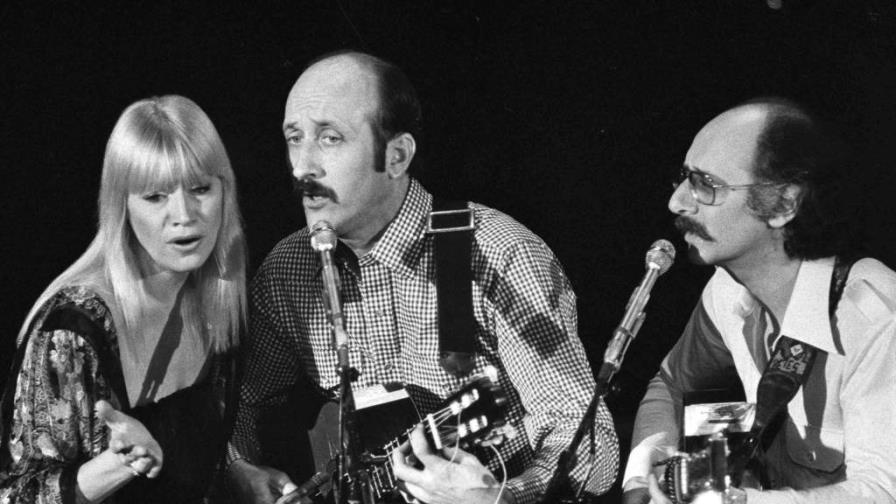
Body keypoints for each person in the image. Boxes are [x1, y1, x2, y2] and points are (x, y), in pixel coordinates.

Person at [225, 50, 619, 504]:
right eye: (294, 139)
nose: (302, 167)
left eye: (330, 139)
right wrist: (242, 468)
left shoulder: (496, 254)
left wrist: (501, 498)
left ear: (397, 156)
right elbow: (241, 404)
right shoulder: (288, 268)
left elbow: (593, 442)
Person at [622, 98, 896, 503]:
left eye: (706, 185)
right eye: (683, 177)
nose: (677, 201)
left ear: (784, 204)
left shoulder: (876, 317)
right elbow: (670, 383)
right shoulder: (726, 290)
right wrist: (643, 475)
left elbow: (884, 492)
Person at [0, 95, 248, 503]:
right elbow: (17, 495)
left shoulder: (218, 302)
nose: (184, 214)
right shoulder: (71, 330)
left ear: (226, 192)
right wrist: (116, 466)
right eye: (155, 197)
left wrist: (243, 473)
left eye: (201, 188)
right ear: (123, 207)